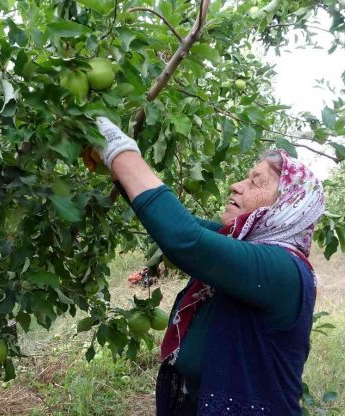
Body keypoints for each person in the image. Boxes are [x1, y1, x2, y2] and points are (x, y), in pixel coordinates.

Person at [93, 116, 325, 415]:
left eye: (256, 181)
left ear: (289, 207)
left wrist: (119, 148)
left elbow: (185, 240)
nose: (236, 186)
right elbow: (177, 225)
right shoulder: (240, 246)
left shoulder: (283, 268)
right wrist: (117, 170)